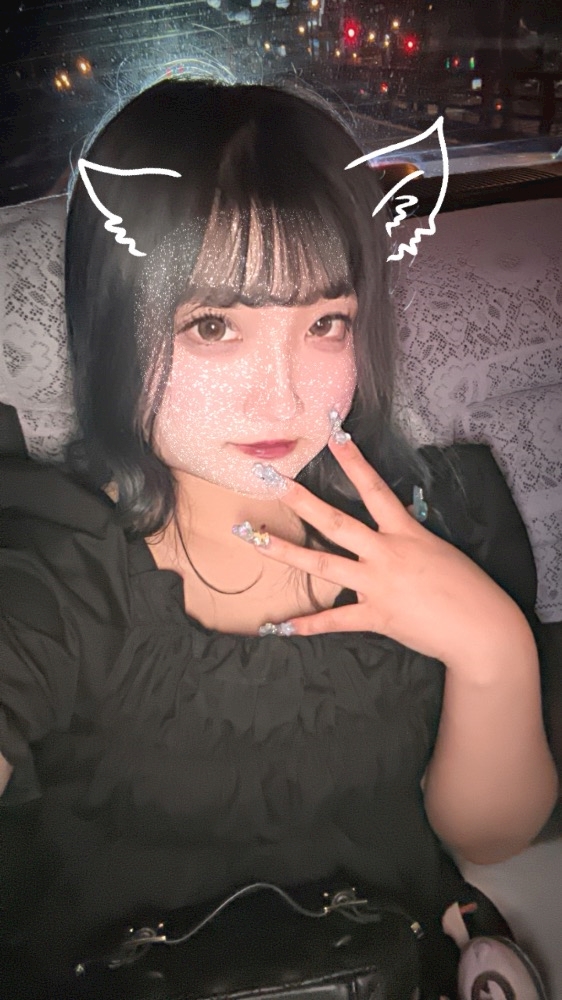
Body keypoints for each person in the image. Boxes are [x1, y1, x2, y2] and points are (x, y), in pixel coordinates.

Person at [0, 79, 558, 999]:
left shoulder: (429, 520)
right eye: (214, 325)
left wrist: (492, 648)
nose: (284, 394)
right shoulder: (56, 560)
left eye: (325, 323)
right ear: (113, 328)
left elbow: (488, 838)